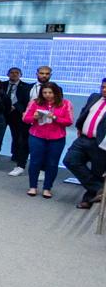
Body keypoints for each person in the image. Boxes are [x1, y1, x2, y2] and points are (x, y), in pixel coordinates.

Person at [22, 82, 73, 199]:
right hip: (37, 136)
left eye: (50, 92)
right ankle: (33, 187)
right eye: (45, 92)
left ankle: (47, 188)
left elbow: (69, 121)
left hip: (57, 138)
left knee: (52, 163)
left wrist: (55, 117)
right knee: (35, 162)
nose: (47, 95)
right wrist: (34, 117)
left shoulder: (65, 104)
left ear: (56, 93)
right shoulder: (35, 102)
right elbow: (25, 118)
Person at [64, 77, 106, 209]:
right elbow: (85, 111)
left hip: (100, 143)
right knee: (70, 160)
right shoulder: (94, 97)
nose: (104, 90)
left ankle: (88, 200)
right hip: (83, 138)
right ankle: (100, 189)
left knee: (97, 172)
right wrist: (80, 126)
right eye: (103, 87)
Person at [4, 67, 35, 177]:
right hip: (2, 113)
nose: (14, 74)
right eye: (11, 72)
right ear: (8, 74)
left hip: (17, 114)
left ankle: (16, 155)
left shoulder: (26, 87)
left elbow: (26, 101)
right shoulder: (2, 85)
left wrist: (16, 107)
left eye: (16, 73)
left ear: (20, 74)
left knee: (18, 136)